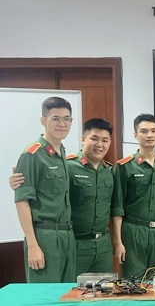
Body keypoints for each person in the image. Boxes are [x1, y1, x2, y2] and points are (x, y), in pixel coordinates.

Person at [11, 118, 116, 276]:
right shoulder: (67, 165)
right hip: (75, 243)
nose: (99, 145)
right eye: (94, 139)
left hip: (103, 245)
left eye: (105, 140)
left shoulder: (110, 171)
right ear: (83, 139)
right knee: (72, 288)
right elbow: (45, 185)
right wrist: (16, 182)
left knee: (104, 288)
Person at [13, 96, 74, 306]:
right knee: (43, 302)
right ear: (43, 120)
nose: (62, 124)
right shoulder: (32, 154)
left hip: (66, 235)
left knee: (66, 300)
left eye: (67, 119)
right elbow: (22, 201)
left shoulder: (62, 153)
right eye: (55, 118)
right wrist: (33, 245)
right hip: (44, 236)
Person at [112, 114, 155, 278]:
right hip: (133, 231)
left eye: (153, 131)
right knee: (133, 283)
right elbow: (117, 208)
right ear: (135, 135)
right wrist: (118, 241)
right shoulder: (124, 167)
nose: (149, 135)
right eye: (144, 131)